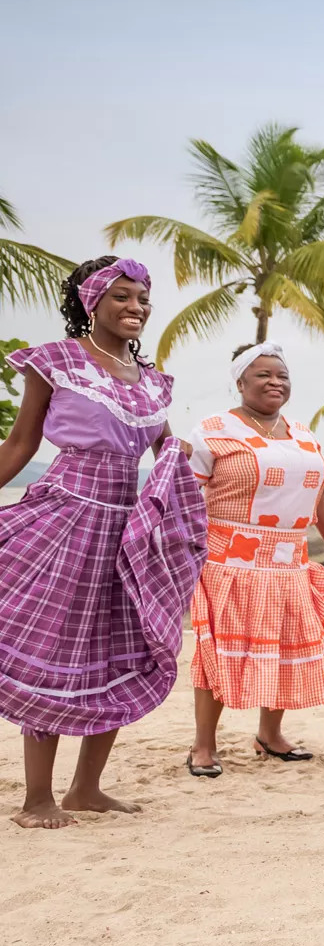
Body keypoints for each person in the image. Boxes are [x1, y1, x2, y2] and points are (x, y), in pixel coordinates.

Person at [0, 257, 206, 828]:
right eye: (121, 296)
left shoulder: (152, 383)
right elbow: (19, 446)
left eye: (142, 298)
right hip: (65, 518)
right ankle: (36, 798)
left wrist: (177, 459)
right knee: (54, 650)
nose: (135, 307)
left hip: (126, 530)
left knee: (121, 648)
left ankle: (85, 789)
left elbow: (164, 448)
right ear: (92, 302)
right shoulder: (57, 361)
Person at [183, 343, 324, 775]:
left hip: (289, 562)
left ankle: (270, 735)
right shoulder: (214, 430)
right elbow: (185, 492)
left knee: (282, 648)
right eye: (263, 375)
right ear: (240, 383)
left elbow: (322, 493)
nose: (275, 382)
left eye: (282, 376)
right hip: (228, 564)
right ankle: (203, 746)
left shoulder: (302, 434)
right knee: (217, 653)